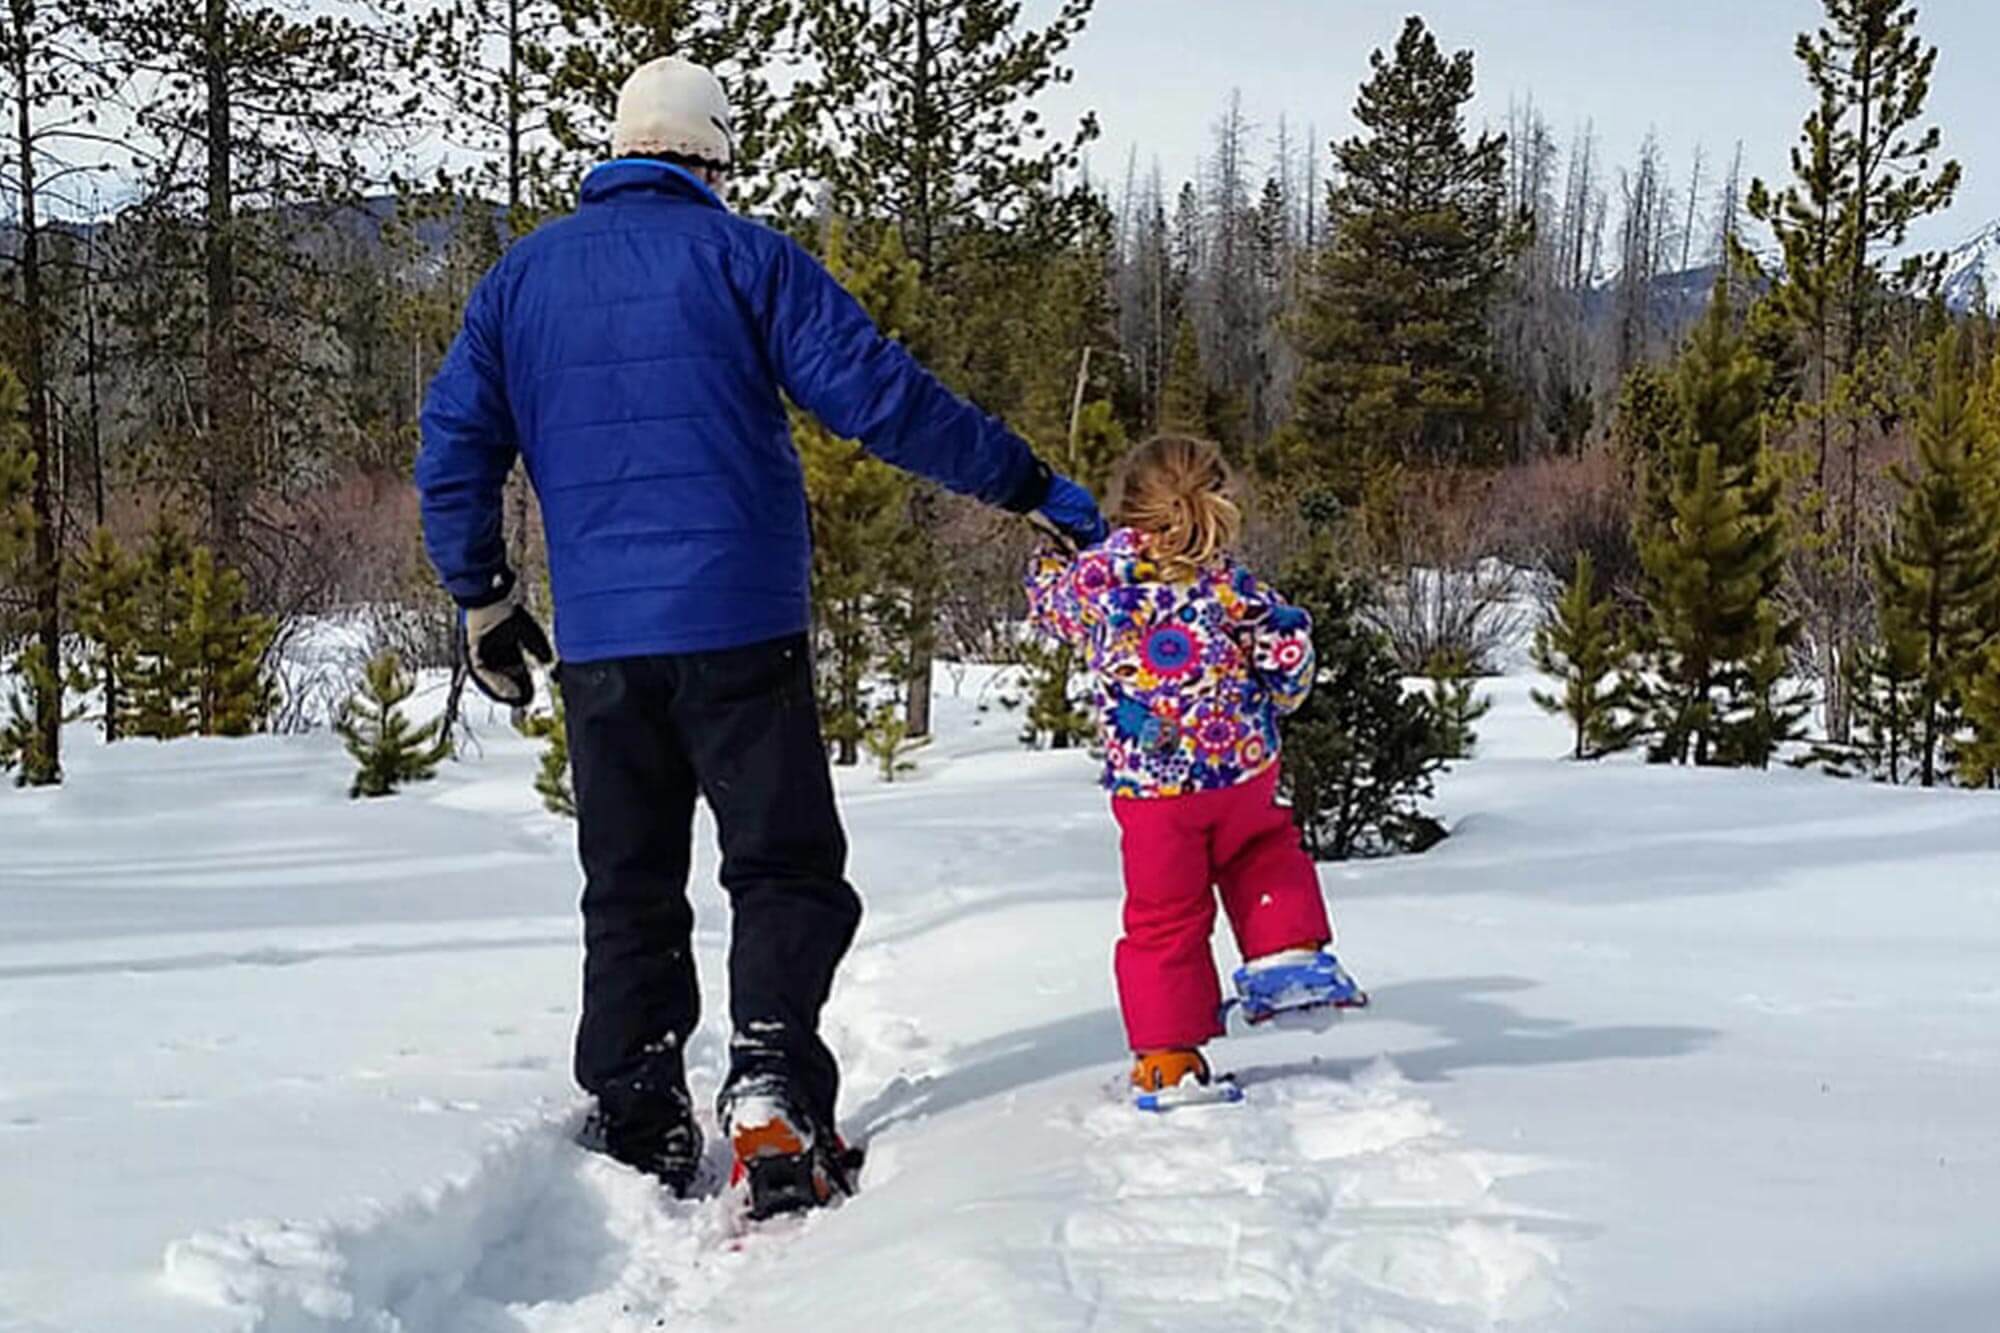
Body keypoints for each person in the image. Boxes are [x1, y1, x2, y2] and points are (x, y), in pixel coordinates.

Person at [416, 55, 1107, 1213]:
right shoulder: (746, 259)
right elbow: (881, 397)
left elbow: (453, 448)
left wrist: (481, 593)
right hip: (742, 624)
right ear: (714, 158)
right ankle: (774, 1077)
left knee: (628, 881)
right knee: (781, 865)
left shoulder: (517, 282)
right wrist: (1028, 483)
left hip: (600, 644)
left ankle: (638, 1110)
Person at [1024, 436, 1366, 1110]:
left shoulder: (1098, 579)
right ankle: (1284, 951)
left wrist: (1046, 554)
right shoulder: (1229, 579)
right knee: (1263, 851)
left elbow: (1050, 606)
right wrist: (1283, 690)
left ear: (1128, 509)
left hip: (1154, 793)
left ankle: (1169, 1055)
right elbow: (1287, 645)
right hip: (1240, 769)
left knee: (1163, 917)